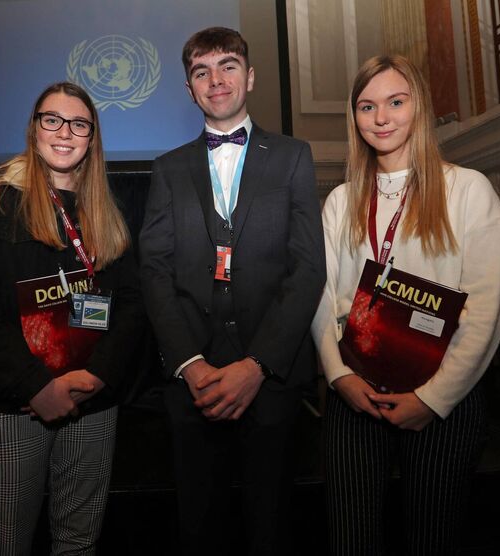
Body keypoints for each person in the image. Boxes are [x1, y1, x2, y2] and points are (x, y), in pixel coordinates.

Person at [139, 27, 326, 555]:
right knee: (198, 527)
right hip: (190, 383)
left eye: (226, 65)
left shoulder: (293, 155)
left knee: (271, 525)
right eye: (201, 71)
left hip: (271, 380)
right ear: (188, 87)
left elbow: (308, 267)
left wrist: (258, 365)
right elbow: (154, 271)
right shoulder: (168, 168)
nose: (215, 79)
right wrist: (190, 363)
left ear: (250, 75)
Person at [311, 55, 500, 555]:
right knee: (351, 539)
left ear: (418, 106)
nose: (381, 118)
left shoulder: (468, 190)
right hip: (355, 395)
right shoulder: (340, 201)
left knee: (433, 538)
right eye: (367, 106)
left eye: (396, 102)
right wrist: (339, 379)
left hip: (442, 400)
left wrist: (433, 399)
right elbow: (322, 297)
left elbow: (484, 312)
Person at [0, 81, 143, 555]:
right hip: (14, 405)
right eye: (51, 120)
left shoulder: (106, 208)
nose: (64, 132)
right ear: (34, 130)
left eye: (78, 124)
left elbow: (133, 301)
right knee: (7, 540)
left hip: (91, 401)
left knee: (79, 542)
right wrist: (34, 386)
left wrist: (99, 375)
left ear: (92, 137)